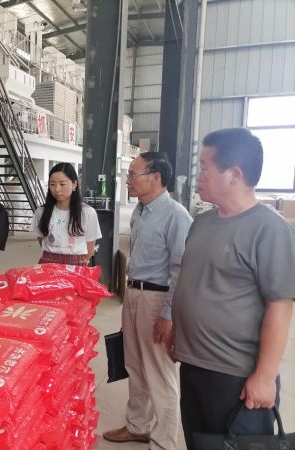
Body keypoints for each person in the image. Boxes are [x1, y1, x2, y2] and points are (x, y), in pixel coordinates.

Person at [168, 128, 295, 449]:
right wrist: (178, 330)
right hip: (194, 365)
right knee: (200, 443)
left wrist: (264, 377)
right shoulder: (201, 223)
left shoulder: (269, 229)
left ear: (234, 174)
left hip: (235, 375)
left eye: (205, 167)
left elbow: (280, 307)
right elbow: (195, 282)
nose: (197, 176)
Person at [103, 152, 192, 450]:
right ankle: (138, 426)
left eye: (133, 174)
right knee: (135, 364)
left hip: (157, 298)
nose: (127, 180)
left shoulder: (176, 216)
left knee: (159, 371)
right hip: (133, 292)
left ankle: (164, 441)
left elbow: (181, 270)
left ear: (155, 178)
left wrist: (169, 314)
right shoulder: (140, 211)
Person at [30, 163, 101, 266]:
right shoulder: (41, 212)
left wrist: (83, 261)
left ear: (74, 184)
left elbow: (90, 243)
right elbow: (41, 239)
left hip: (77, 263)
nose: (57, 189)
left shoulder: (87, 212)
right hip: (48, 262)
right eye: (52, 184)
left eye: (62, 184)